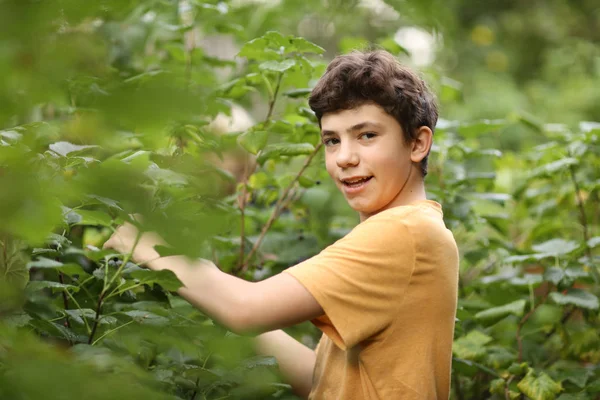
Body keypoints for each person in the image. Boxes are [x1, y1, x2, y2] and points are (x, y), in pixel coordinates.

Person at [104, 50, 459, 400]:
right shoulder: (414, 230)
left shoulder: (403, 232)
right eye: (332, 140)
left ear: (417, 143)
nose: (345, 158)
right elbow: (325, 380)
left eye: (366, 135)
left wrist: (142, 242)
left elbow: (245, 309)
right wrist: (217, 299)